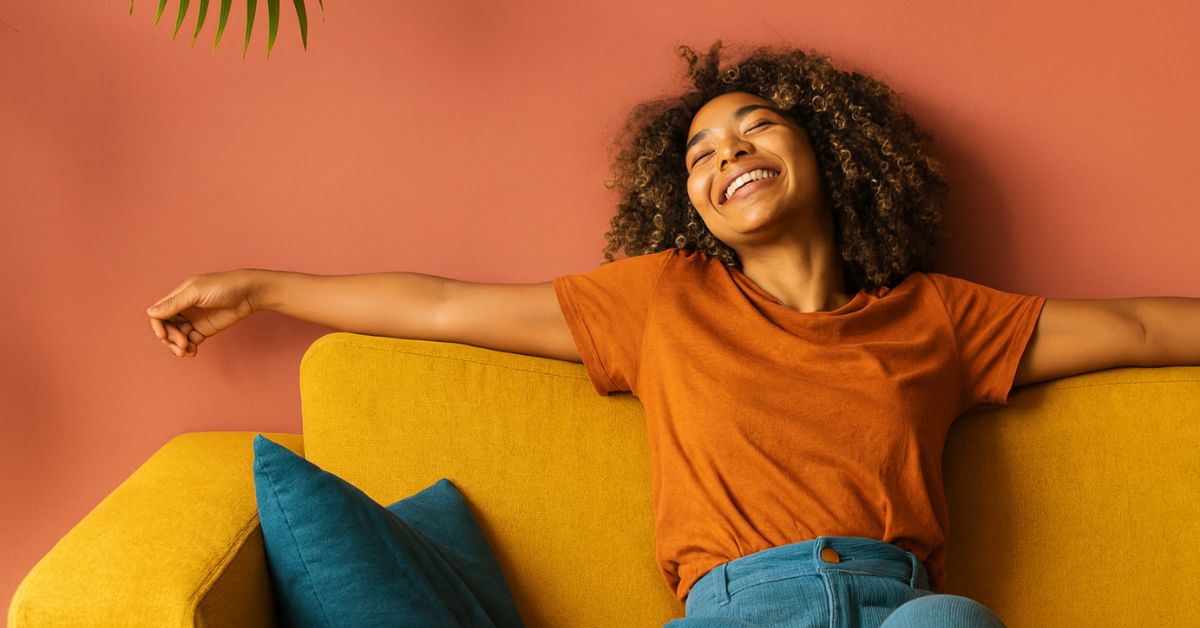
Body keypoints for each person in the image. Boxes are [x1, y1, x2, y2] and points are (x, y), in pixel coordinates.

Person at [145, 41, 1200, 627]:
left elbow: (1148, 326)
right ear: (689, 201)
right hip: (740, 610)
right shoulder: (660, 300)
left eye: (755, 128)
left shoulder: (941, 318)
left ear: (826, 148)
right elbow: (443, 305)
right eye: (700, 154)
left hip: (899, 605)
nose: (726, 153)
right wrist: (262, 286)